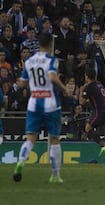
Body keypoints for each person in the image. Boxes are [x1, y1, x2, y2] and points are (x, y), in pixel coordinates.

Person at [13, 32, 69, 183]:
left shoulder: (30, 60)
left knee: (30, 138)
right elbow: (52, 77)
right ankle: (55, 175)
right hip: (50, 103)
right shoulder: (52, 60)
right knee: (55, 139)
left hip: (33, 102)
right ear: (50, 45)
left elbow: (22, 83)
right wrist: (64, 88)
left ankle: (21, 161)